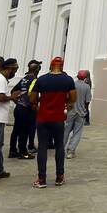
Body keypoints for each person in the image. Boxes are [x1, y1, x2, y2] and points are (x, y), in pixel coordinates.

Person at [30, 56, 76, 188]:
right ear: (62, 66)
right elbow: (73, 98)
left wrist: (40, 103)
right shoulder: (68, 80)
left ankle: (42, 179)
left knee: (43, 147)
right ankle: (59, 176)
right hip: (58, 118)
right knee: (59, 146)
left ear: (50, 66)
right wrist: (66, 103)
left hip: (43, 118)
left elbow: (32, 98)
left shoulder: (42, 79)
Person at [9, 62, 40, 159]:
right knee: (25, 130)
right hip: (27, 108)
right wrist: (35, 103)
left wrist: (17, 101)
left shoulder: (24, 79)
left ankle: (12, 150)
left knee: (16, 130)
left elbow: (13, 91)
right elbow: (32, 95)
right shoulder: (34, 80)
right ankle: (23, 152)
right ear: (36, 70)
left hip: (19, 107)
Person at [66, 68, 92, 159]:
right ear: (85, 77)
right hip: (81, 112)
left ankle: (60, 148)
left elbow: (68, 96)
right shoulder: (86, 87)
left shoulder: (73, 84)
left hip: (71, 110)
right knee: (77, 132)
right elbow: (87, 101)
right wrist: (85, 110)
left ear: (77, 76)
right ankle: (70, 151)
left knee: (66, 130)